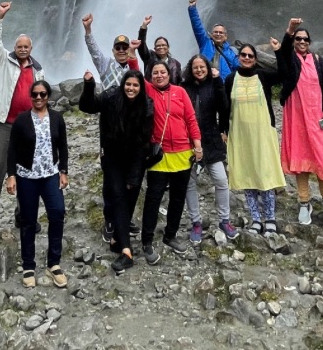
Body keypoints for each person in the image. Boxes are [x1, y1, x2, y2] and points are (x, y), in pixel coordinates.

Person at [0, 1, 47, 235]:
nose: (22, 49)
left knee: (26, 172)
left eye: (25, 46)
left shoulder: (38, 70)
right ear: (14, 47)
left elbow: (42, 97)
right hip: (5, 125)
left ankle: (24, 216)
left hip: (27, 127)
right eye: (18, 45)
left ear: (31, 48)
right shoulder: (3, 60)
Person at [79, 69, 154, 272]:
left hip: (134, 158)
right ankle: (126, 251)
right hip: (112, 157)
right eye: (128, 84)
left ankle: (116, 240)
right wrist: (89, 85)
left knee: (130, 197)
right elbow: (87, 106)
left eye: (135, 85)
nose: (131, 88)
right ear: (123, 85)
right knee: (119, 197)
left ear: (141, 88)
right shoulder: (111, 96)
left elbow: (144, 143)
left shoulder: (146, 106)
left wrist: (134, 174)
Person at [275, 18, 323, 225]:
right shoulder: (289, 59)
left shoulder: (319, 60)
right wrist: (290, 30)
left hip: (317, 115)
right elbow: (284, 51)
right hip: (296, 115)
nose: (302, 42)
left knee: (321, 154)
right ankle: (304, 201)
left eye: (305, 39)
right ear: (294, 41)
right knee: (300, 155)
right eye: (298, 39)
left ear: (310, 42)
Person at [5, 79, 69, 288]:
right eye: (35, 94)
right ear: (30, 97)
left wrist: (63, 171)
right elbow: (12, 149)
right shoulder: (22, 120)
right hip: (27, 176)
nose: (39, 97)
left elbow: (63, 146)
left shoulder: (57, 118)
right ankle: (29, 265)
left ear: (48, 96)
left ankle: (54, 263)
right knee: (28, 220)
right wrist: (11, 175)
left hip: (50, 174)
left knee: (57, 213)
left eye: (42, 94)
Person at [140, 60, 202, 264]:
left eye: (162, 72)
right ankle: (147, 241)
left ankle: (170, 235)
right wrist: (133, 50)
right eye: (155, 72)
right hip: (160, 154)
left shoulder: (180, 92)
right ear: (151, 77)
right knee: (153, 198)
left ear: (169, 74)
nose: (159, 75)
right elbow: (133, 68)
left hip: (183, 153)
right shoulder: (148, 90)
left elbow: (191, 119)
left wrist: (197, 145)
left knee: (177, 198)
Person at [224, 42, 286, 234]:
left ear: (256, 59)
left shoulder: (263, 75)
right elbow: (226, 108)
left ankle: (270, 218)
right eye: (244, 55)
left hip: (263, 132)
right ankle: (255, 219)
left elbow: (284, 73)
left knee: (265, 173)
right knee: (247, 174)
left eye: (251, 56)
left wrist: (278, 50)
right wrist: (223, 130)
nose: (247, 58)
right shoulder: (231, 79)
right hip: (240, 133)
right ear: (239, 57)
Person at [179, 54, 236, 242]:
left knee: (221, 180)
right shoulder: (184, 87)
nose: (199, 70)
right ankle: (196, 222)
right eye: (195, 67)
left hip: (211, 140)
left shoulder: (214, 84)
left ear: (207, 67)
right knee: (189, 184)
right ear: (191, 69)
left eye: (202, 66)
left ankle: (224, 220)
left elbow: (224, 107)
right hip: (188, 142)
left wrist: (218, 80)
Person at [188, 0, 238, 78]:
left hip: (224, 86)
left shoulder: (232, 52)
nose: (218, 34)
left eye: (221, 32)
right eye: (215, 32)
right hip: (206, 83)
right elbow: (197, 27)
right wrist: (192, 9)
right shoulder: (205, 43)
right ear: (211, 34)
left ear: (225, 36)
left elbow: (239, 69)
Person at [137, 15, 182, 84]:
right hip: (151, 93)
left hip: (170, 93)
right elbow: (141, 44)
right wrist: (144, 26)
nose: (161, 47)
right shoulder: (149, 58)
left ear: (168, 47)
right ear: (154, 49)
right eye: (158, 46)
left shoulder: (176, 64)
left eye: (163, 45)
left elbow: (179, 82)